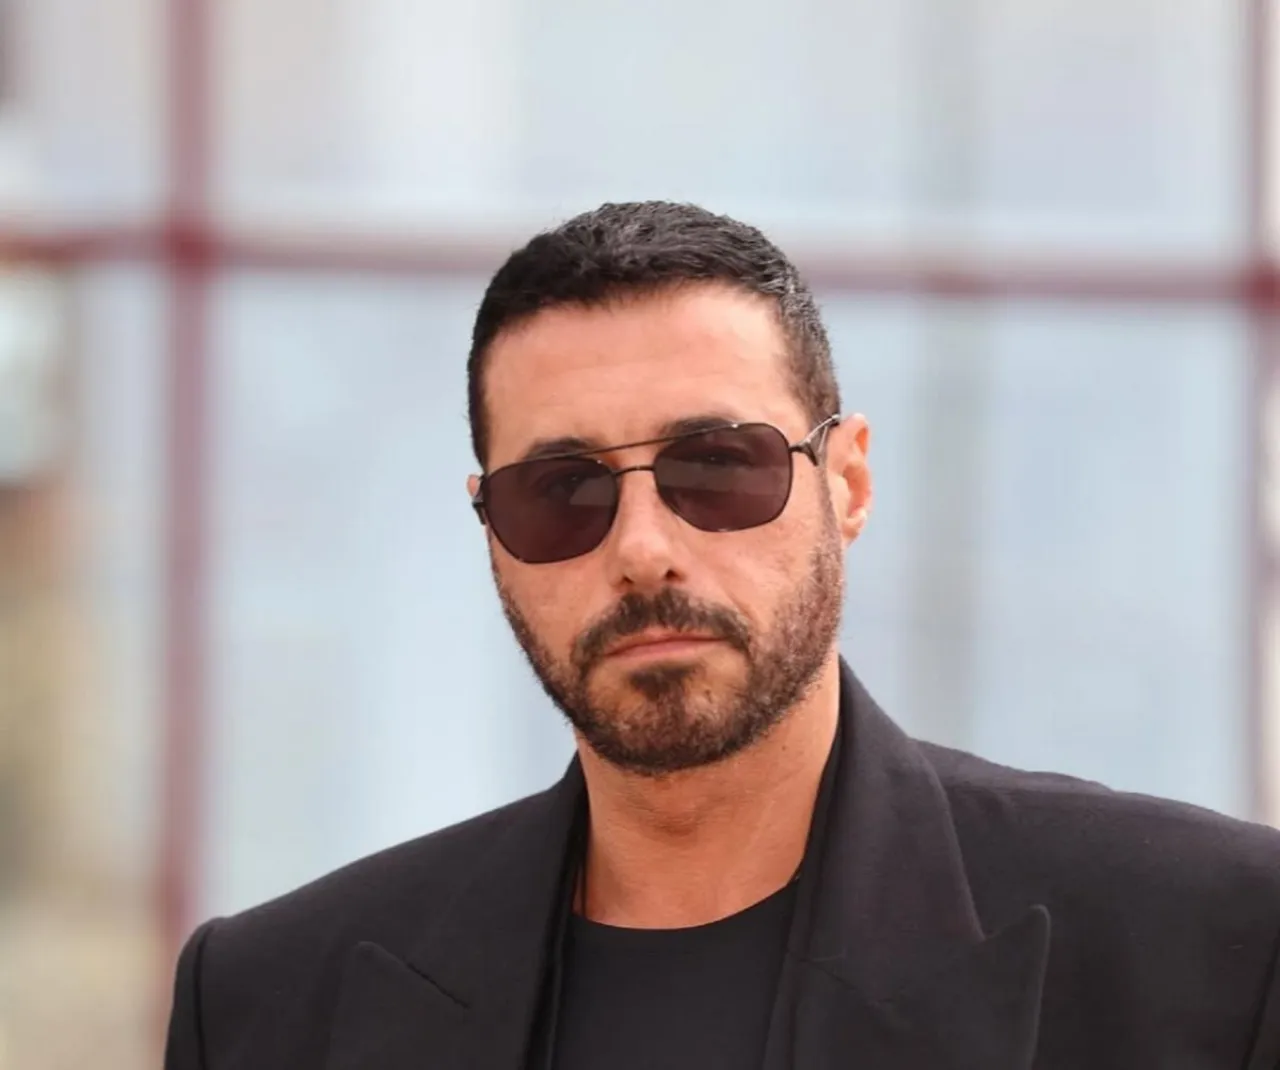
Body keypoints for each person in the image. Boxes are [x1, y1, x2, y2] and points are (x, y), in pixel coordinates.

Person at [165, 201, 1280, 1070]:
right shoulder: (269, 1002)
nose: (642, 547)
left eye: (713, 466)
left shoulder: (1209, 941)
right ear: (490, 528)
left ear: (846, 482)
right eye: (563, 491)